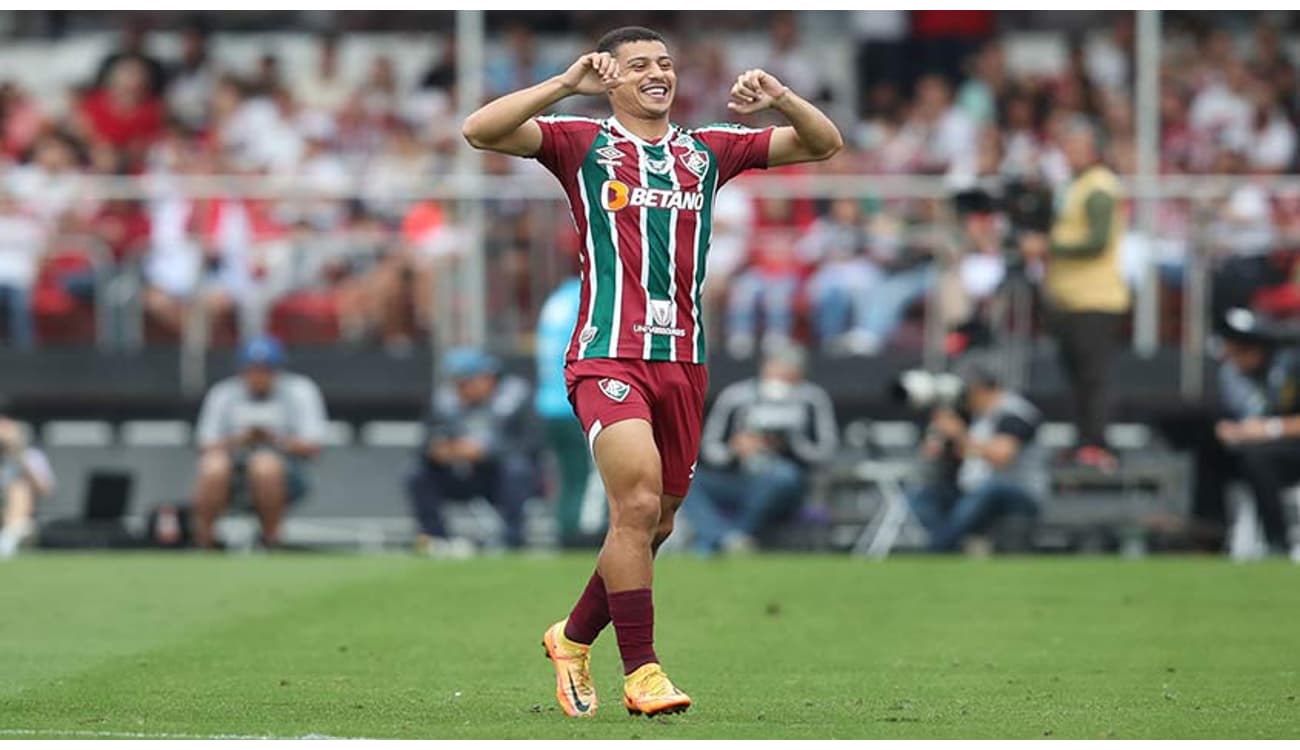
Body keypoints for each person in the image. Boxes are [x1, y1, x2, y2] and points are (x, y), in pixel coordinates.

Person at [462, 25, 842, 717]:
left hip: (685, 364)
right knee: (633, 509)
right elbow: (480, 131)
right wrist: (563, 86)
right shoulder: (581, 142)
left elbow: (823, 144)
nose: (656, 73)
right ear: (612, 78)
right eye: (638, 64)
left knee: (654, 525)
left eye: (664, 62)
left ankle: (572, 638)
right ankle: (643, 673)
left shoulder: (708, 151)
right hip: (607, 355)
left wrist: (781, 95)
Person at [1020, 118, 1129, 472]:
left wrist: (1049, 246)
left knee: (1093, 375)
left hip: (1093, 296)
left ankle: (1097, 443)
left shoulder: (1099, 186)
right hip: (1068, 296)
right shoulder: (1071, 185)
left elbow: (1097, 240)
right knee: (1076, 376)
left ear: (1094, 151)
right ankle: (1083, 440)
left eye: (1078, 146)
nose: (1071, 153)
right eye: (1068, 146)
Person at [682, 345, 837, 555]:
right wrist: (735, 450)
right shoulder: (735, 396)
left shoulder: (813, 399)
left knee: (782, 476)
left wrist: (790, 443)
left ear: (799, 374)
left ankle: (734, 534)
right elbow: (709, 447)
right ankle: (726, 538)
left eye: (787, 375)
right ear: (765, 368)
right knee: (688, 481)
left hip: (788, 481)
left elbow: (826, 451)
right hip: (739, 476)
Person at [192, 335, 328, 549]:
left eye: (266, 370)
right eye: (253, 369)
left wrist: (273, 439)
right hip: (233, 467)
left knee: (264, 465)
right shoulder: (223, 393)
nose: (259, 377)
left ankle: (271, 541)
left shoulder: (300, 390)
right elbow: (204, 444)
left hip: (289, 471)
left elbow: (313, 445)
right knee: (213, 466)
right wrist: (240, 439)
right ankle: (205, 542)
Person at [406, 347, 538, 555]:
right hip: (457, 473)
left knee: (517, 469)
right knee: (416, 475)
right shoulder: (444, 402)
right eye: (457, 383)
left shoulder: (515, 399)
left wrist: (487, 452)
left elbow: (530, 444)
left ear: (487, 379)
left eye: (467, 382)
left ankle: (513, 539)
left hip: (496, 475)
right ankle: (436, 537)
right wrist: (440, 451)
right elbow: (425, 442)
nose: (461, 389)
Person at [907, 357, 1044, 553]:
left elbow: (1002, 456)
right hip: (974, 489)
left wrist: (959, 433)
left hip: (1018, 491)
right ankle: (949, 545)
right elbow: (949, 454)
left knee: (988, 491)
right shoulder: (977, 417)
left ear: (979, 388)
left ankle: (939, 547)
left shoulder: (1015, 412)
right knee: (922, 496)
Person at [1201, 309, 1300, 554]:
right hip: (1267, 447)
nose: (1230, 357)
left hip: (1291, 446)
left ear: (1254, 349)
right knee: (1209, 448)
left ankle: (1277, 540)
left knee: (1259, 457)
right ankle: (1210, 534)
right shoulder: (1237, 377)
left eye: (1236, 351)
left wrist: (1269, 429)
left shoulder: (1293, 366)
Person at [536, 277, 602, 548]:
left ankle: (565, 527)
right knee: (586, 475)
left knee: (568, 475)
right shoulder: (588, 297)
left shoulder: (556, 300)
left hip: (548, 402)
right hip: (575, 403)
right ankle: (579, 534)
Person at [0, 416, 55, 559]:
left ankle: (8, 537)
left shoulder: (31, 456)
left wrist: (18, 456)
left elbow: (44, 489)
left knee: (19, 487)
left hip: (23, 517)